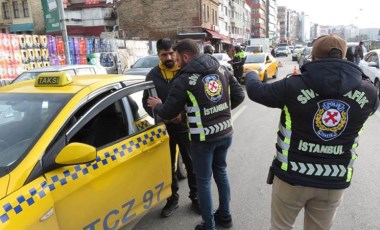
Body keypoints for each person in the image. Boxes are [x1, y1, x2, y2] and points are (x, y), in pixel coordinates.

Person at [245, 34, 379, 230]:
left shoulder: (292, 85)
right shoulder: (369, 92)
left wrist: (251, 74)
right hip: (334, 180)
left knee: (280, 227)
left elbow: (256, 92)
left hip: (292, 176)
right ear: (344, 56)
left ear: (314, 57)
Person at [147, 39, 245, 230]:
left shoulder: (185, 78)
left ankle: (209, 225)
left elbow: (167, 112)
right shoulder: (221, 69)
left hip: (203, 138)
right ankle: (225, 216)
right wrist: (219, 112)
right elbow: (239, 95)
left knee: (204, 182)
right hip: (225, 132)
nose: (175, 62)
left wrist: (157, 104)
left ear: (185, 56)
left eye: (176, 58)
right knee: (221, 172)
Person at [142, 38, 200, 217]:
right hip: (163, 129)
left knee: (191, 164)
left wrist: (180, 116)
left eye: (170, 53)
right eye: (163, 54)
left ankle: (196, 198)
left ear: (176, 52)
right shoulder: (153, 75)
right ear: (158, 55)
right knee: (167, 166)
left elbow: (195, 98)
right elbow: (146, 102)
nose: (168, 57)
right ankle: (172, 199)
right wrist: (161, 115)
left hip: (184, 126)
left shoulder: (186, 71)